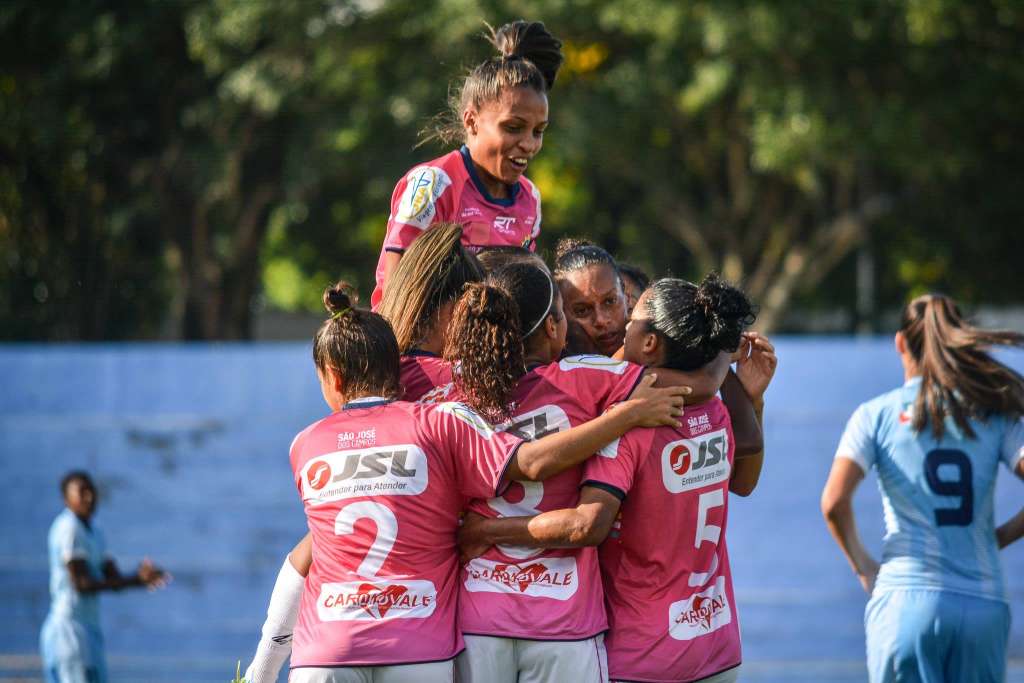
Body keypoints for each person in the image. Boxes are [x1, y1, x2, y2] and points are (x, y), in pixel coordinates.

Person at [284, 283, 688, 682]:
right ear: (553, 327)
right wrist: (627, 414)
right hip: (561, 622)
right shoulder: (589, 377)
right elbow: (536, 463)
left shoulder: (445, 396)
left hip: (476, 620)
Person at [444, 267, 766, 682]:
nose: (613, 325)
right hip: (715, 642)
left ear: (650, 342)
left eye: (626, 314)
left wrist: (486, 530)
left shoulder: (629, 420)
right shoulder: (713, 410)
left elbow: (587, 523)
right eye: (577, 310)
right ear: (554, 325)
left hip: (642, 653)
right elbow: (744, 470)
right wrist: (737, 379)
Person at [243, 222, 484, 682]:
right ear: (452, 308)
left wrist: (266, 662)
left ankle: (261, 667)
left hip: (334, 638)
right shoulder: (467, 385)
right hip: (437, 630)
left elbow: (313, 548)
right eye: (473, 308)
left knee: (321, 539)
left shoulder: (374, 370)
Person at [821, 293, 1024, 683]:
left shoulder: (876, 415)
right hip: (983, 605)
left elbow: (833, 502)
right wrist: (997, 538)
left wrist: (864, 566)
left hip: (905, 603)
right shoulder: (992, 412)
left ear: (900, 343)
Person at [371, 20, 564, 307]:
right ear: (471, 121)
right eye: (513, 128)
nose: (529, 144)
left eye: (538, 132)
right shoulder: (433, 185)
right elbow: (397, 298)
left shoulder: (530, 199)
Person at [40, 471, 169, 683]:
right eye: (82, 492)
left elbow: (113, 579)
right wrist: (133, 580)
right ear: (66, 499)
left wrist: (139, 578)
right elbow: (81, 583)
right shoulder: (68, 527)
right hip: (68, 630)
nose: (89, 497)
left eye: (91, 491)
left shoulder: (95, 531)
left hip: (89, 630)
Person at [553, 239, 629, 357]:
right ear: (561, 317)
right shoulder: (547, 369)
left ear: (627, 299)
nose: (601, 320)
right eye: (582, 310)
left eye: (610, 301)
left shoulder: (657, 354)